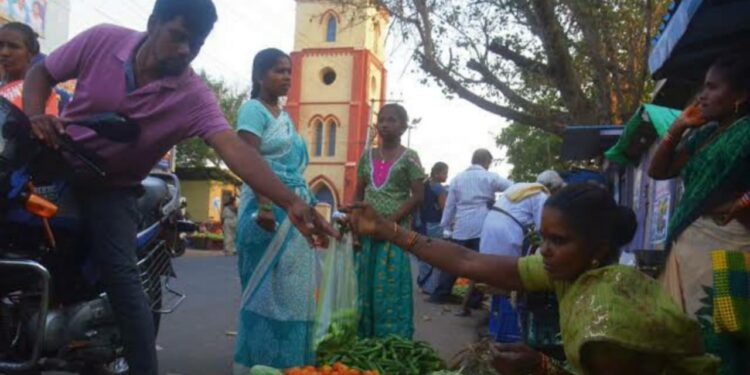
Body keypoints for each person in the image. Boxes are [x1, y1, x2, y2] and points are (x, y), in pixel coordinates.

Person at [20, 1, 336, 374]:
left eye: (197, 42)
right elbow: (41, 74)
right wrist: (36, 117)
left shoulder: (193, 96)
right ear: (153, 24)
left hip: (111, 187)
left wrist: (292, 201)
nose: (186, 49)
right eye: (178, 36)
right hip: (53, 165)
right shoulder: (101, 41)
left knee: (122, 279)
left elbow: (234, 148)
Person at [344, 183, 719, 375]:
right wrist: (388, 230)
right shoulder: (573, 268)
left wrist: (539, 368)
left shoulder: (606, 314)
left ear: (598, 248)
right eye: (543, 239)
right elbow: (468, 260)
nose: (545, 250)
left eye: (559, 241)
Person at [649, 54, 750, 374]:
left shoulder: (746, 132)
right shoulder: (708, 134)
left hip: (726, 249)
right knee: (683, 339)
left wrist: (738, 205)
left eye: (712, 87)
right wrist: (678, 128)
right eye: (702, 87)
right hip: (690, 248)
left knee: (721, 335)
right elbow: (659, 170)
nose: (702, 96)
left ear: (740, 95)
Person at [232, 48, 322, 371]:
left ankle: (289, 363)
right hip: (265, 211)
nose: (287, 77)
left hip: (293, 213)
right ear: (259, 75)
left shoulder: (286, 117)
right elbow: (248, 160)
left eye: (289, 72)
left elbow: (295, 172)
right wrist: (266, 205)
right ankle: (259, 363)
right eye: (279, 71)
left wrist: (311, 212)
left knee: (293, 293)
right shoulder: (253, 111)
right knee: (265, 292)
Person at [355, 103, 425, 338]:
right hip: (367, 234)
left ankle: (391, 343)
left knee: (390, 290)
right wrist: (355, 227)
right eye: (382, 120)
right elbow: (358, 194)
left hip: (395, 235)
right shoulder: (366, 157)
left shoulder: (410, 158)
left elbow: (418, 196)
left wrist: (388, 223)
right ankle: (364, 340)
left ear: (404, 127)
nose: (385, 124)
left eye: (392, 120)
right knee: (363, 288)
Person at [480, 170, 565, 341]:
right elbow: (544, 227)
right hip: (506, 232)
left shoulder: (522, 187)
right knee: (510, 278)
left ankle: (495, 325)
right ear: (553, 188)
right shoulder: (541, 195)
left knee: (495, 275)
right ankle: (509, 330)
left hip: (490, 226)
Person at [433, 149, 511, 305]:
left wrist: (445, 226)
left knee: (453, 262)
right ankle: (474, 299)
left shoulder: (457, 179)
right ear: (487, 161)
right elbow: (513, 188)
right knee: (479, 265)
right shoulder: (489, 177)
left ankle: (441, 293)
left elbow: (450, 205)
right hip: (482, 226)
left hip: (461, 227)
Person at [0, 22, 58, 114]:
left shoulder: (41, 93)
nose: (4, 52)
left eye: (13, 46)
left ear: (30, 54)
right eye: (0, 45)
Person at [415, 161, 448, 293]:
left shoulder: (425, 185)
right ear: (437, 173)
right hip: (435, 224)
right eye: (445, 173)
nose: (446, 176)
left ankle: (423, 282)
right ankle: (431, 286)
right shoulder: (439, 188)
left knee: (423, 253)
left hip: (421, 223)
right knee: (435, 254)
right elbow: (445, 208)